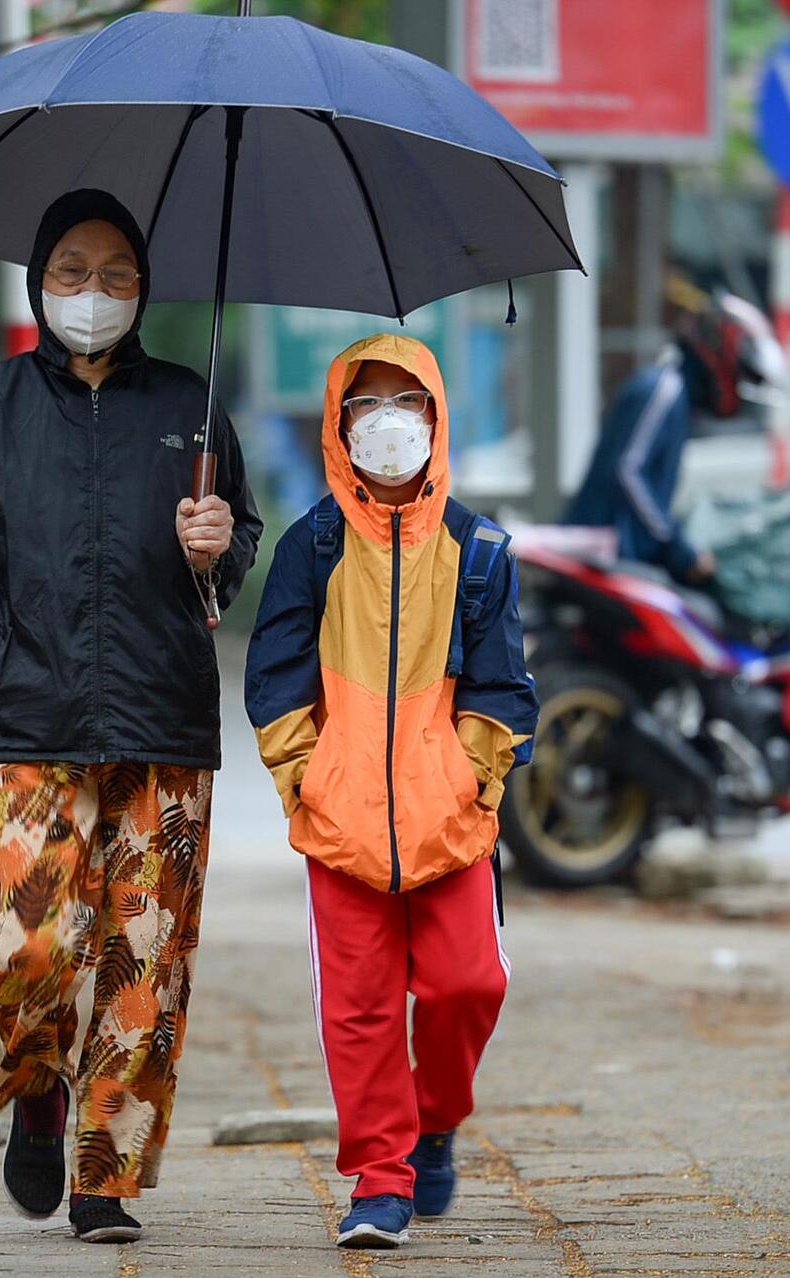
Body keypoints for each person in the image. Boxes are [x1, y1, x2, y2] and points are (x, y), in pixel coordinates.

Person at [0, 189, 262, 1245]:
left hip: (165, 728)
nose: (92, 294)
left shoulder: (193, 408)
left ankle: (106, 1178)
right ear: (37, 282)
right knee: (33, 953)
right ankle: (41, 1081)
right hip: (31, 725)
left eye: (115, 275)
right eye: (70, 271)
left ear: (143, 289)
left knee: (144, 964)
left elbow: (230, 568)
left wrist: (218, 545)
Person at [245, 333, 537, 1250]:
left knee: (466, 985)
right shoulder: (312, 544)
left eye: (407, 402)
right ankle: (380, 1179)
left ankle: (436, 1116)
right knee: (359, 1006)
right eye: (366, 404)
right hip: (341, 826)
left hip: (451, 823)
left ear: (437, 417)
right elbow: (277, 674)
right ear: (338, 425)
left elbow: (504, 686)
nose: (388, 422)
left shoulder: (481, 550)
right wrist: (307, 782)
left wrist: (473, 781)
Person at [562, 340, 715, 584]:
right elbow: (627, 470)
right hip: (607, 552)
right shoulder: (663, 389)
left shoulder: (671, 392)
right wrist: (678, 548)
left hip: (618, 553)